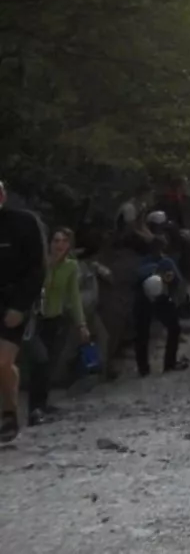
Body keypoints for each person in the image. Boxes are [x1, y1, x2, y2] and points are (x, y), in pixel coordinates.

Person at [0, 180, 48, 443]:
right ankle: (9, 409)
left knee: (2, 361)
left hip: (16, 299)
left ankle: (9, 414)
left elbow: (37, 268)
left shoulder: (24, 223)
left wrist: (21, 306)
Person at [28, 227, 90, 426]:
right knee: (40, 360)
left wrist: (81, 324)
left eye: (64, 241)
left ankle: (42, 405)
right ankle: (33, 408)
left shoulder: (71, 266)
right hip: (35, 319)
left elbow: (74, 296)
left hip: (57, 319)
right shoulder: (40, 263)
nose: (59, 245)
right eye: (56, 241)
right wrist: (49, 265)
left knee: (50, 364)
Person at [134, 236, 187, 376]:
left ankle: (144, 367)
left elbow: (177, 281)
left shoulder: (145, 263)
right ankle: (167, 363)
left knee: (143, 334)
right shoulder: (164, 262)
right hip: (155, 299)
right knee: (170, 329)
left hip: (148, 300)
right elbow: (178, 282)